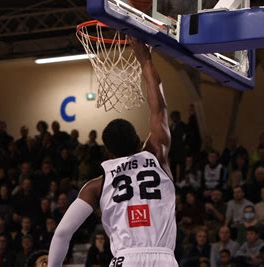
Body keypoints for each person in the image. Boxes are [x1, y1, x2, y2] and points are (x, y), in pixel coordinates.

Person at [47, 38, 178, 266]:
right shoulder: (157, 154)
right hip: (164, 258)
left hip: (125, 259)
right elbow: (159, 107)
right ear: (139, 139)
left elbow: (62, 234)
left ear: (107, 151)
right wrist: (144, 60)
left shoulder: (97, 184)